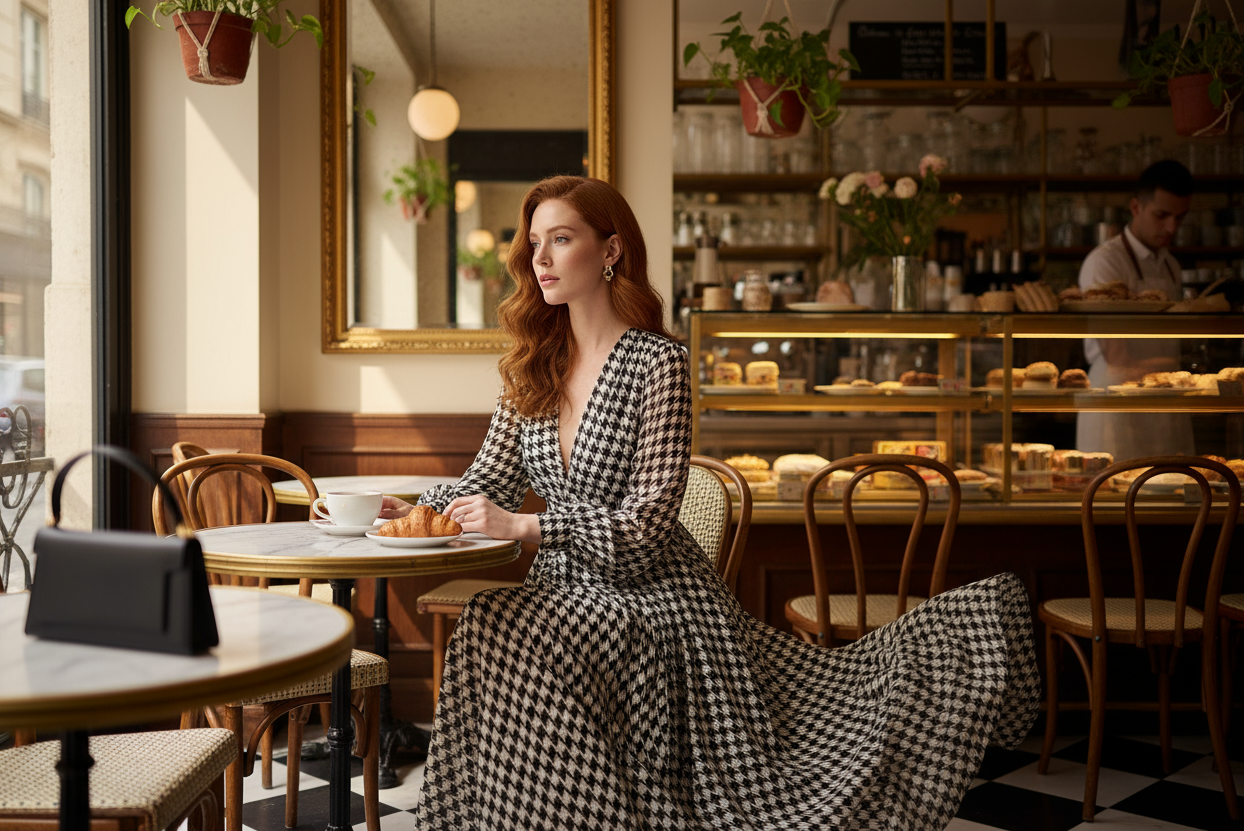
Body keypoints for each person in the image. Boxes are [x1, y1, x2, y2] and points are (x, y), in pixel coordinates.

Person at [382, 175, 1040, 829]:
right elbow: (486, 480)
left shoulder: (658, 362)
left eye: (561, 239)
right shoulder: (533, 364)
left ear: (610, 251)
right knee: (488, 628)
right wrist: (410, 507)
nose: (542, 260)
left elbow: (644, 528)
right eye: (534, 245)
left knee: (520, 634)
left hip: (654, 594)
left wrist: (528, 525)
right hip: (563, 588)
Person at [1076, 160, 1195, 459]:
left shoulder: (1171, 265)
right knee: (1116, 496)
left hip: (1164, 399)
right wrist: (1177, 373)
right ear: (1135, 207)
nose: (1172, 227)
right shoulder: (1105, 262)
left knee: (1172, 494)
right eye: (1162, 215)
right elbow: (1117, 357)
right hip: (1117, 401)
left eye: (1180, 218)